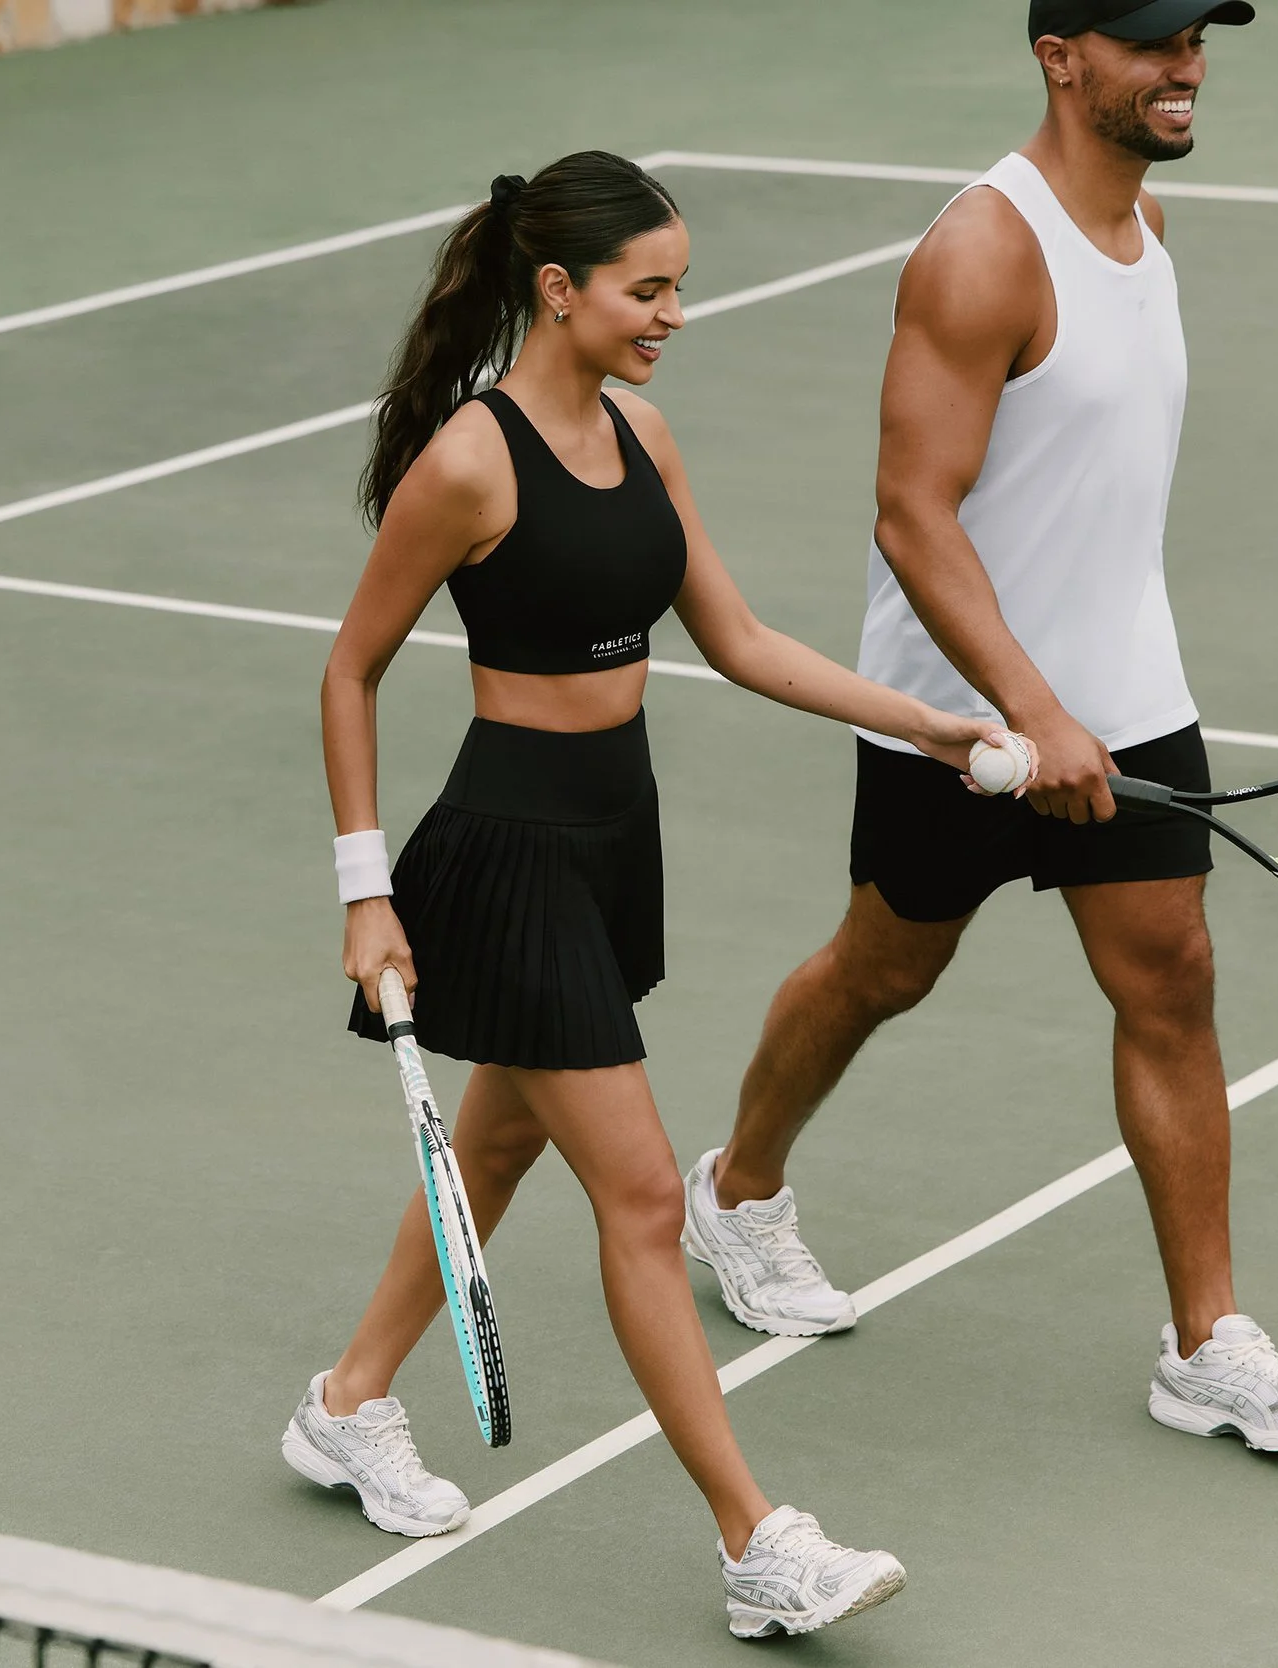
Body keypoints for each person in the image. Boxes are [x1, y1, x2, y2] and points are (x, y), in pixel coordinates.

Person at [281, 151, 1029, 1638]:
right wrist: (366, 890)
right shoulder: (470, 464)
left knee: (490, 1154)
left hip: (616, 836)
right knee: (635, 1194)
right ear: (556, 291)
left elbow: (739, 639)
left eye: (677, 284)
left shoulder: (645, 432)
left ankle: (345, 1402)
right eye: (648, 287)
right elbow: (349, 666)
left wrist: (926, 722)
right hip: (508, 852)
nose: (674, 311)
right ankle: (759, 1540)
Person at [681, 0, 1278, 1454]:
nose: (1184, 65)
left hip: (1130, 694)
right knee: (884, 967)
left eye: (1197, 38)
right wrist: (1028, 712)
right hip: (957, 713)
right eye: (1150, 42)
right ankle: (739, 1192)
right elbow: (910, 513)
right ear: (1061, 57)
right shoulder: (985, 250)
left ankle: (1207, 1344)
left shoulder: (1147, 231)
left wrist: (1092, 706)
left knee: (1172, 982)